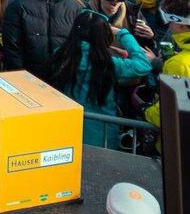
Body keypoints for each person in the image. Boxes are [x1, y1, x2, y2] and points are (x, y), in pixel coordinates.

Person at [48, 11, 152, 148]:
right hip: (102, 134)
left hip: (67, 129)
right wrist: (123, 34)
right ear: (102, 35)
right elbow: (143, 65)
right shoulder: (108, 64)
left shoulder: (60, 54)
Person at [1, 0, 81, 78]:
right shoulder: (18, 6)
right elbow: (12, 48)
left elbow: (79, 46)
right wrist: (20, 78)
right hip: (29, 79)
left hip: (63, 79)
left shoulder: (74, 7)